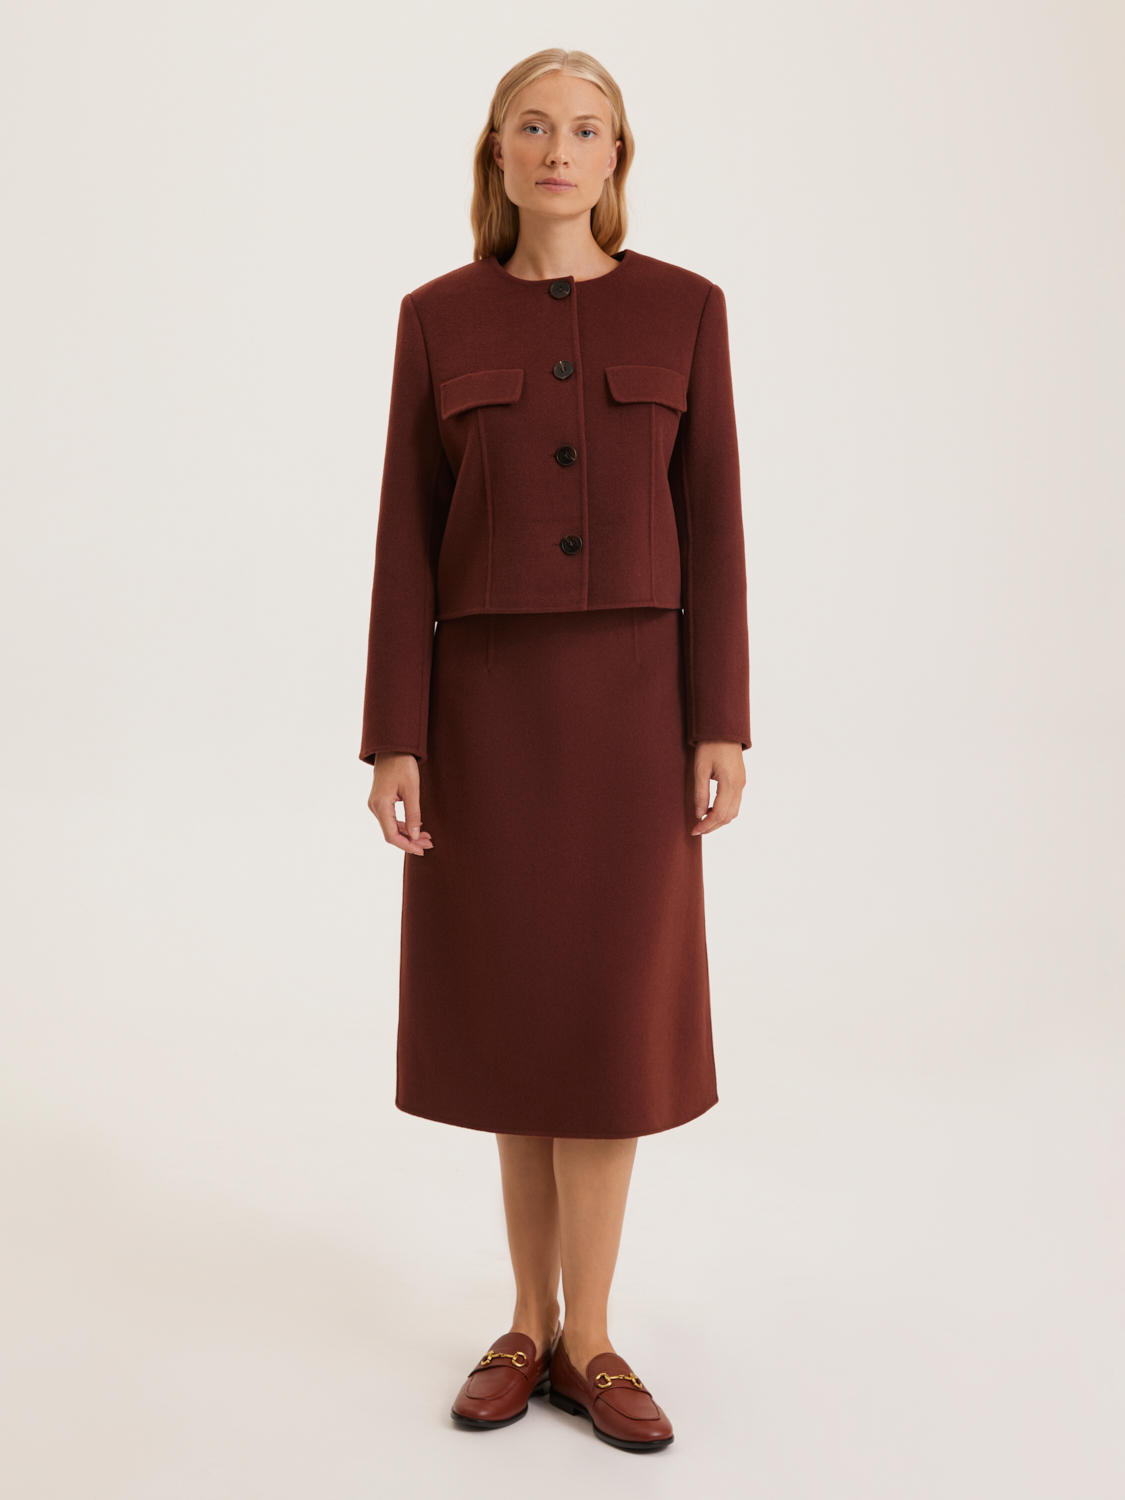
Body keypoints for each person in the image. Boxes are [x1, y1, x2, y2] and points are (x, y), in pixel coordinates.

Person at [360, 47, 749, 1454]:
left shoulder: (686, 310)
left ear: (616, 156)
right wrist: (394, 736)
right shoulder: (437, 318)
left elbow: (716, 522)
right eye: (533, 126)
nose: (559, 150)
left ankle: (595, 1336)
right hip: (485, 715)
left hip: (636, 713)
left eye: (586, 129)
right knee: (514, 1010)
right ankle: (526, 1324)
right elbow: (405, 538)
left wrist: (720, 718)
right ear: (498, 151)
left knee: (606, 1021)